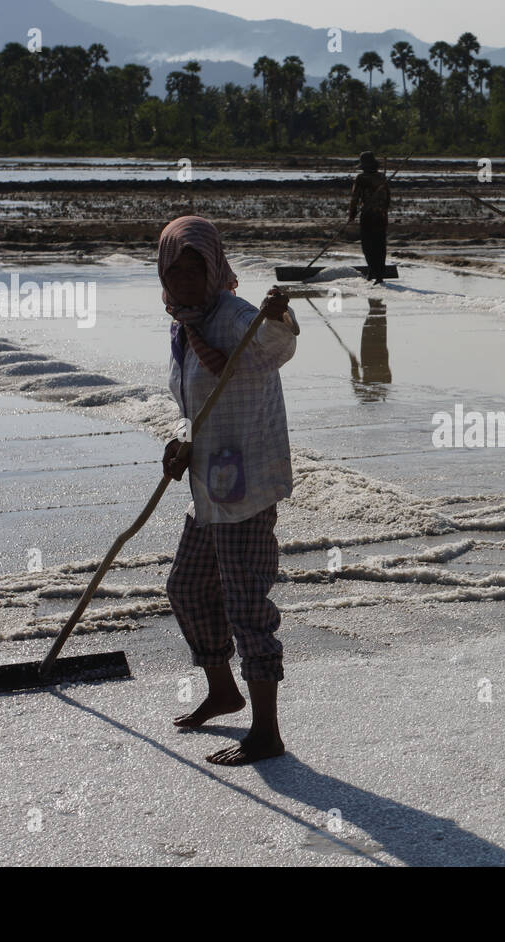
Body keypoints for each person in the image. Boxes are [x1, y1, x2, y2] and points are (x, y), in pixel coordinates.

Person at [156, 215, 300, 766]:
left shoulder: (235, 314)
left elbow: (272, 346)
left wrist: (278, 313)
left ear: (215, 268)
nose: (185, 279)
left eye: (196, 268)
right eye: (175, 269)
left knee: (246, 606)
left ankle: (267, 733)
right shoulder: (184, 323)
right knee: (189, 588)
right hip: (210, 481)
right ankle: (222, 690)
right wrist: (181, 444)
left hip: (247, 485)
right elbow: (192, 402)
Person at [348, 150, 391, 285]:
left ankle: (373, 271)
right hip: (381, 216)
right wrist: (384, 210)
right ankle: (378, 274)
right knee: (380, 245)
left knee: (368, 245)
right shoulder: (382, 177)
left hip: (368, 216)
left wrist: (352, 213)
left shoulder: (361, 178)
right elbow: (388, 198)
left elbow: (355, 198)